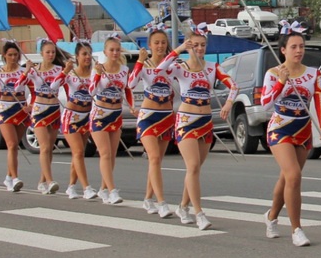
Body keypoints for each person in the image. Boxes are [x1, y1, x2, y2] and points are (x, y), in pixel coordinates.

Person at [156, 25, 237, 230]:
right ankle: (199, 213)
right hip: (186, 121)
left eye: (202, 45)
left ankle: (183, 206)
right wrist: (180, 47)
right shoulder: (180, 66)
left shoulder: (213, 67)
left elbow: (233, 86)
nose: (199, 49)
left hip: (205, 122)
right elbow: (160, 69)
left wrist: (228, 103)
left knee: (195, 169)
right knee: (191, 167)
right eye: (195, 45)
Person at [260, 29, 321, 247]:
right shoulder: (273, 73)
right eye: (294, 47)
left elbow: (320, 101)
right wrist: (281, 82)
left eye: (301, 46)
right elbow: (265, 102)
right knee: (294, 176)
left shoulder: (313, 73)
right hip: (280, 129)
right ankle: (296, 229)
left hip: (303, 131)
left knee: (287, 179)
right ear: (283, 50)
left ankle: (271, 216)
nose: (299, 50)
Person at [128, 27, 175, 218]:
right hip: (148, 116)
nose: (160, 46)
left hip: (166, 116)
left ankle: (148, 199)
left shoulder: (172, 65)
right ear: (149, 45)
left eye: (163, 42)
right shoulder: (144, 65)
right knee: (154, 158)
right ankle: (161, 202)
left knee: (157, 161)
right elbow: (131, 84)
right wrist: (139, 61)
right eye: (156, 42)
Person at [89, 34, 133, 205]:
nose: (114, 53)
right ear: (105, 52)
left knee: (112, 155)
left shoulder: (124, 70)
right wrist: (98, 75)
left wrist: (131, 105)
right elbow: (91, 91)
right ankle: (113, 190)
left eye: (117, 50)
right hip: (100, 113)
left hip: (116, 114)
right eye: (111, 50)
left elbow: (127, 89)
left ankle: (103, 188)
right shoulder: (98, 68)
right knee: (105, 153)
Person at [52, 40, 98, 200]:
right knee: (78, 151)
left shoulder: (94, 74)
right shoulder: (71, 74)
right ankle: (87, 188)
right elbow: (53, 87)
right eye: (84, 54)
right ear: (77, 57)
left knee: (78, 154)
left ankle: (71, 186)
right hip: (71, 117)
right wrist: (65, 72)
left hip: (87, 116)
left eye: (89, 54)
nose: (88, 57)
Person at [0, 41, 33, 192]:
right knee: (12, 144)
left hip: (21, 110)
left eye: (15, 55)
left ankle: (8, 177)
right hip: (5, 110)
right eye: (10, 55)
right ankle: (15, 178)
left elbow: (34, 91)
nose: (13, 58)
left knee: (15, 146)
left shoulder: (24, 71)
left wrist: (30, 106)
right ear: (4, 56)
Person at [23, 39, 66, 194]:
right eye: (47, 52)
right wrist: (26, 71)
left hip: (54, 109)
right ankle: (49, 180)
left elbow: (63, 87)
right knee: (45, 146)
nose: (50, 55)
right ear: (41, 53)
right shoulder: (35, 70)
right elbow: (17, 86)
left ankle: (42, 181)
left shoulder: (59, 69)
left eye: (53, 52)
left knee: (50, 148)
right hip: (39, 109)